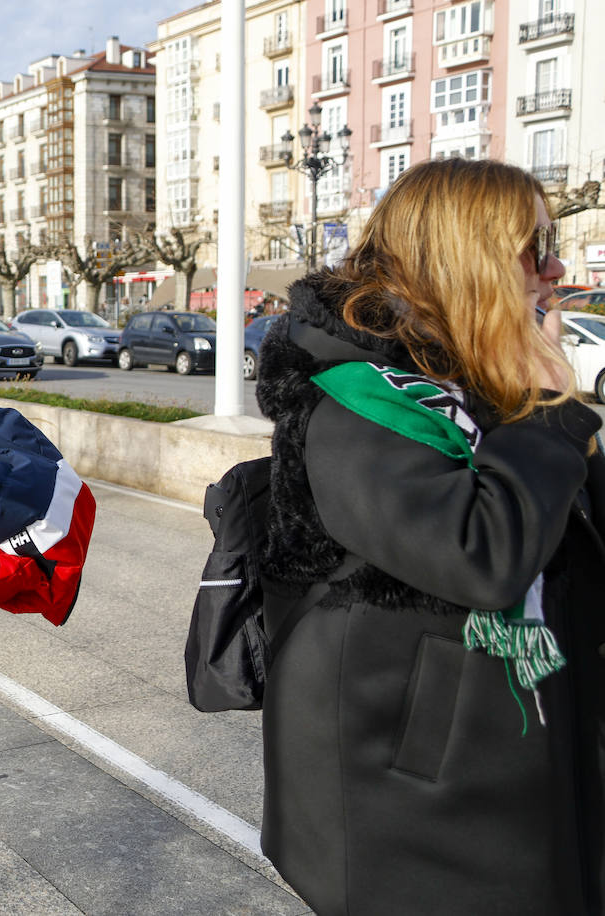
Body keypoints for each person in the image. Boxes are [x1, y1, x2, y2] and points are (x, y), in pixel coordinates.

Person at [255, 158, 605, 915]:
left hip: (520, 770)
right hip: (419, 814)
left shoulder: (478, 379)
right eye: (533, 247)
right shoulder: (353, 398)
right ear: (464, 256)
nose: (556, 267)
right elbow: (482, 558)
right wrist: (546, 409)